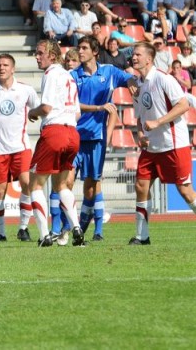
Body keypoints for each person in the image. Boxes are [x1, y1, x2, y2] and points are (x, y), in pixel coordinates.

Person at [130, 42, 196, 245]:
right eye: (133, 54)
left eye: (137, 54)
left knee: (185, 191)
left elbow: (183, 105)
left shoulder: (164, 79)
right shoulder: (137, 85)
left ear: (149, 59)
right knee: (141, 185)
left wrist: (158, 122)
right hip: (151, 147)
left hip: (173, 144)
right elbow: (139, 116)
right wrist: (140, 134)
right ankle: (141, 236)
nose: (134, 57)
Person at [70, 37, 133, 241]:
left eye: (84, 48)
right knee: (66, 182)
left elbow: (129, 79)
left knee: (91, 188)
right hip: (74, 136)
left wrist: (132, 83)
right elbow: (72, 105)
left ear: (95, 52)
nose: (80, 51)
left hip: (96, 138)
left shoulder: (109, 72)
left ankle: (82, 229)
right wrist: (98, 107)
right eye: (79, 48)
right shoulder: (72, 76)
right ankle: (61, 229)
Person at [28, 39, 84, 248]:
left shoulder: (51, 73)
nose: (37, 57)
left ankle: (44, 235)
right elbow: (77, 113)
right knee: (61, 185)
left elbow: (46, 108)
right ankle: (76, 227)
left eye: (40, 53)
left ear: (52, 56)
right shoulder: (69, 76)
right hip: (72, 133)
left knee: (35, 185)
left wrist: (32, 112)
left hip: (55, 132)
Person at [0, 53, 39, 242]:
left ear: (13, 69)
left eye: (5, 65)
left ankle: (23, 228)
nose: (1, 68)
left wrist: (34, 114)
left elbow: (39, 109)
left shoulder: (26, 90)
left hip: (21, 147)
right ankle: (0, 233)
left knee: (27, 183)